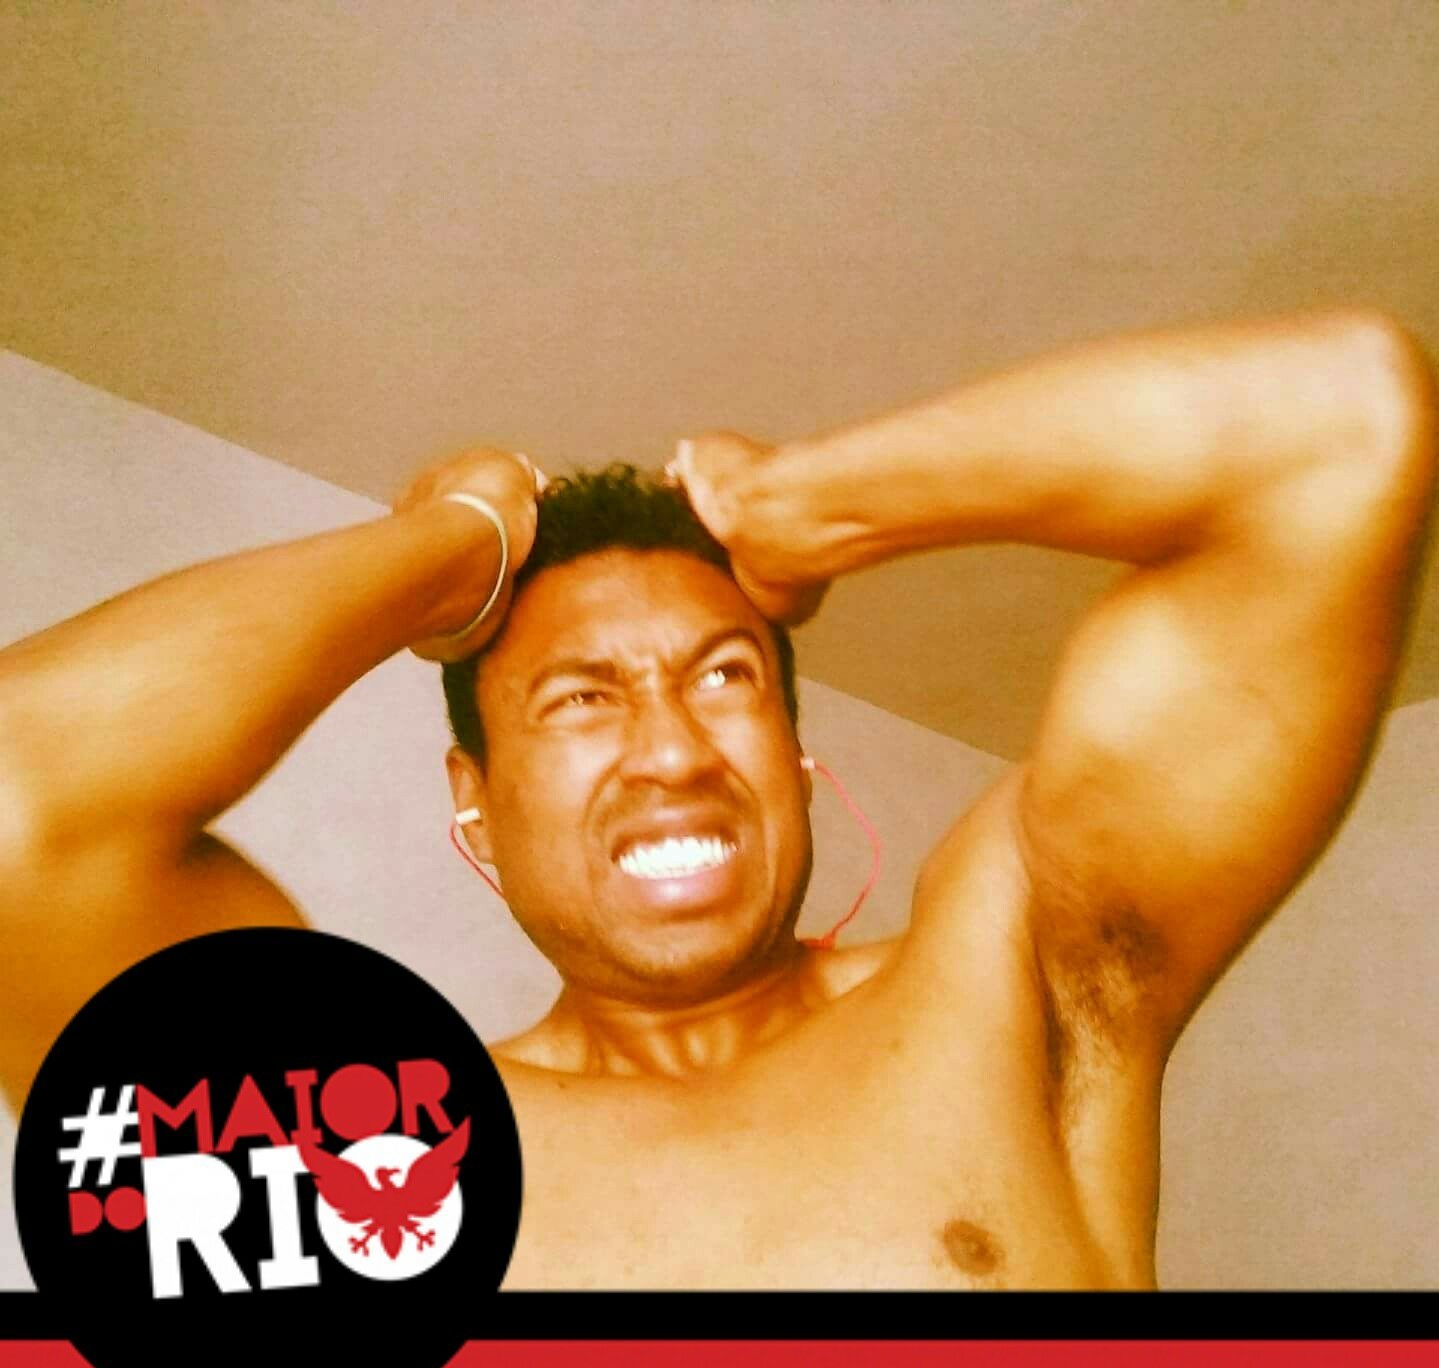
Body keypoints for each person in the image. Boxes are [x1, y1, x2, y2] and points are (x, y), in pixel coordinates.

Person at [1, 309, 1433, 1288]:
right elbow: (22, 803)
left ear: (795, 753)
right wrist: (455, 545)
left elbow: (1340, 422)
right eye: (581, 699)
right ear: (475, 803)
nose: (674, 750)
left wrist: (816, 508)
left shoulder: (1017, 986)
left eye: (727, 677)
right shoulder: (364, 1146)